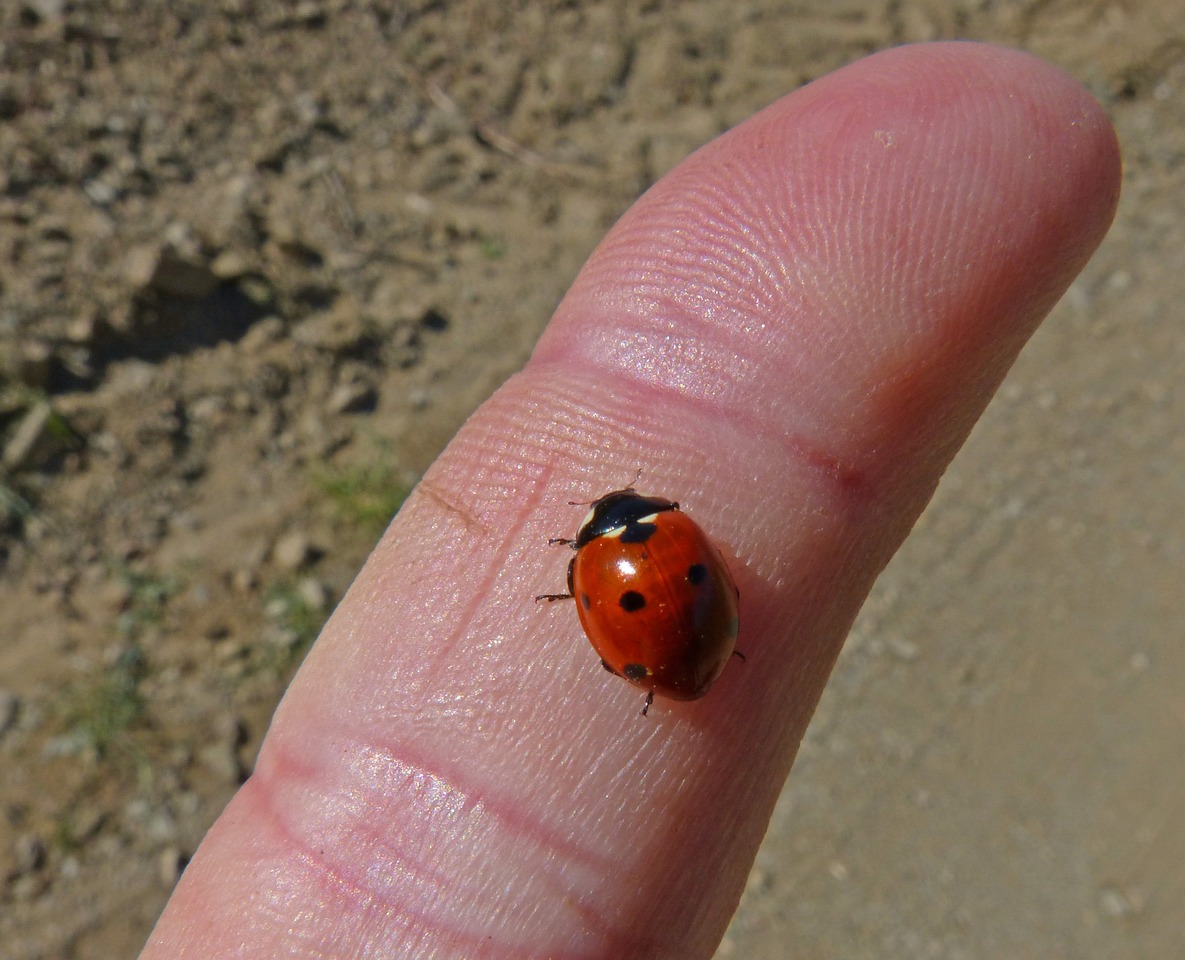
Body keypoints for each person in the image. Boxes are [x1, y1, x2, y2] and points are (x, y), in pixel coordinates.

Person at [140, 42, 1120, 959]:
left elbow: (640, 591)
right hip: (685, 649)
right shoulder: (654, 542)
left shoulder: (598, 563)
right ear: (638, 514)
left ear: (589, 539)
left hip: (673, 655)